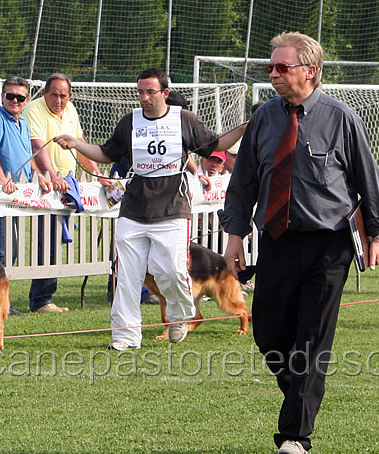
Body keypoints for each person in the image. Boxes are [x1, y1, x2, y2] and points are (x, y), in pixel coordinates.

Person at [220, 32, 379, 454]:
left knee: (311, 342)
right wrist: (235, 236)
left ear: (309, 71)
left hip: (328, 244)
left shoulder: (341, 117)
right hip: (276, 242)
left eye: (282, 67)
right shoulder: (263, 119)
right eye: (270, 68)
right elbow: (242, 184)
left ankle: (294, 437)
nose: (273, 75)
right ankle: (303, 390)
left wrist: (378, 232)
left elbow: (369, 180)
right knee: (269, 334)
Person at [54, 67, 244, 351]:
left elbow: (216, 144)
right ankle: (125, 336)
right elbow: (107, 153)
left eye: (150, 92)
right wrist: (76, 144)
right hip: (134, 210)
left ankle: (181, 314)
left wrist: (244, 128)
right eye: (140, 91)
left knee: (171, 271)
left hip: (172, 209)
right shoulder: (130, 122)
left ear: (164, 93)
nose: (144, 97)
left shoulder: (185, 120)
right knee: (128, 276)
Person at [22, 73, 105, 313]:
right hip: (43, 184)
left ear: (69, 95)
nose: (59, 100)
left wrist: (98, 173)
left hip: (66, 184)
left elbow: (80, 144)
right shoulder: (34, 110)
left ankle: (45, 297)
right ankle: (41, 300)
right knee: (45, 240)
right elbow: (37, 146)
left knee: (55, 239)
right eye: (54, 95)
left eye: (63, 95)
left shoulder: (71, 111)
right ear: (45, 93)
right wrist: (52, 176)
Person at [0, 76, 53, 315]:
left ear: (26, 100)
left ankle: (1, 303)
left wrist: (38, 174)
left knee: (11, 250)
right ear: (2, 97)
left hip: (20, 194)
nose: (14, 100)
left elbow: (27, 157)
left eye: (20, 97)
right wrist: (1, 177)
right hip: (2, 193)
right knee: (2, 251)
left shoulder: (22, 123)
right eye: (10, 95)